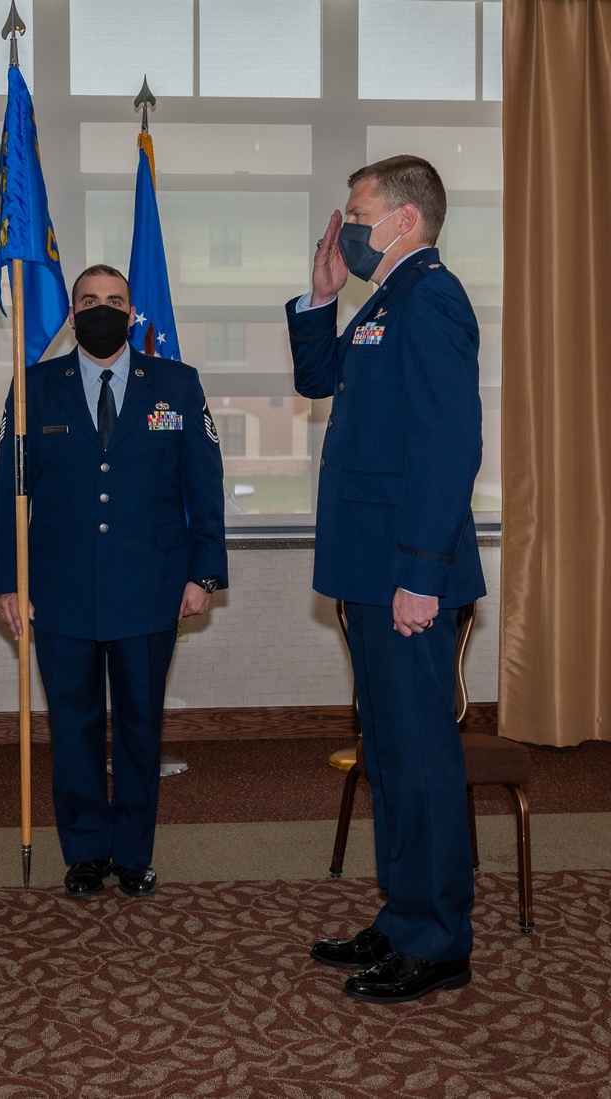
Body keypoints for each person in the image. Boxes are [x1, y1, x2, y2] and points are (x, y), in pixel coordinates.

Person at [287, 156, 486, 1003]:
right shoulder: (385, 298)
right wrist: (323, 293)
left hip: (406, 573)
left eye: (358, 212)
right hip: (368, 570)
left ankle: (440, 939)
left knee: (424, 759)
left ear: (405, 219)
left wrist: (420, 576)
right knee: (392, 756)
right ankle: (404, 914)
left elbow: (449, 447)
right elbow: (316, 380)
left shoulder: (433, 295)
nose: (346, 225)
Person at [0, 265, 227, 899]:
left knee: (141, 725)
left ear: (132, 313)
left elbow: (203, 485)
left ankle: (133, 852)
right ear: (71, 314)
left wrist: (205, 572)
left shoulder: (176, 384)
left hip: (149, 585)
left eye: (113, 301)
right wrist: (8, 580)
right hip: (60, 589)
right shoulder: (35, 387)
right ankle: (86, 853)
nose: (101, 310)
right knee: (74, 726)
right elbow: (8, 495)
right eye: (88, 301)